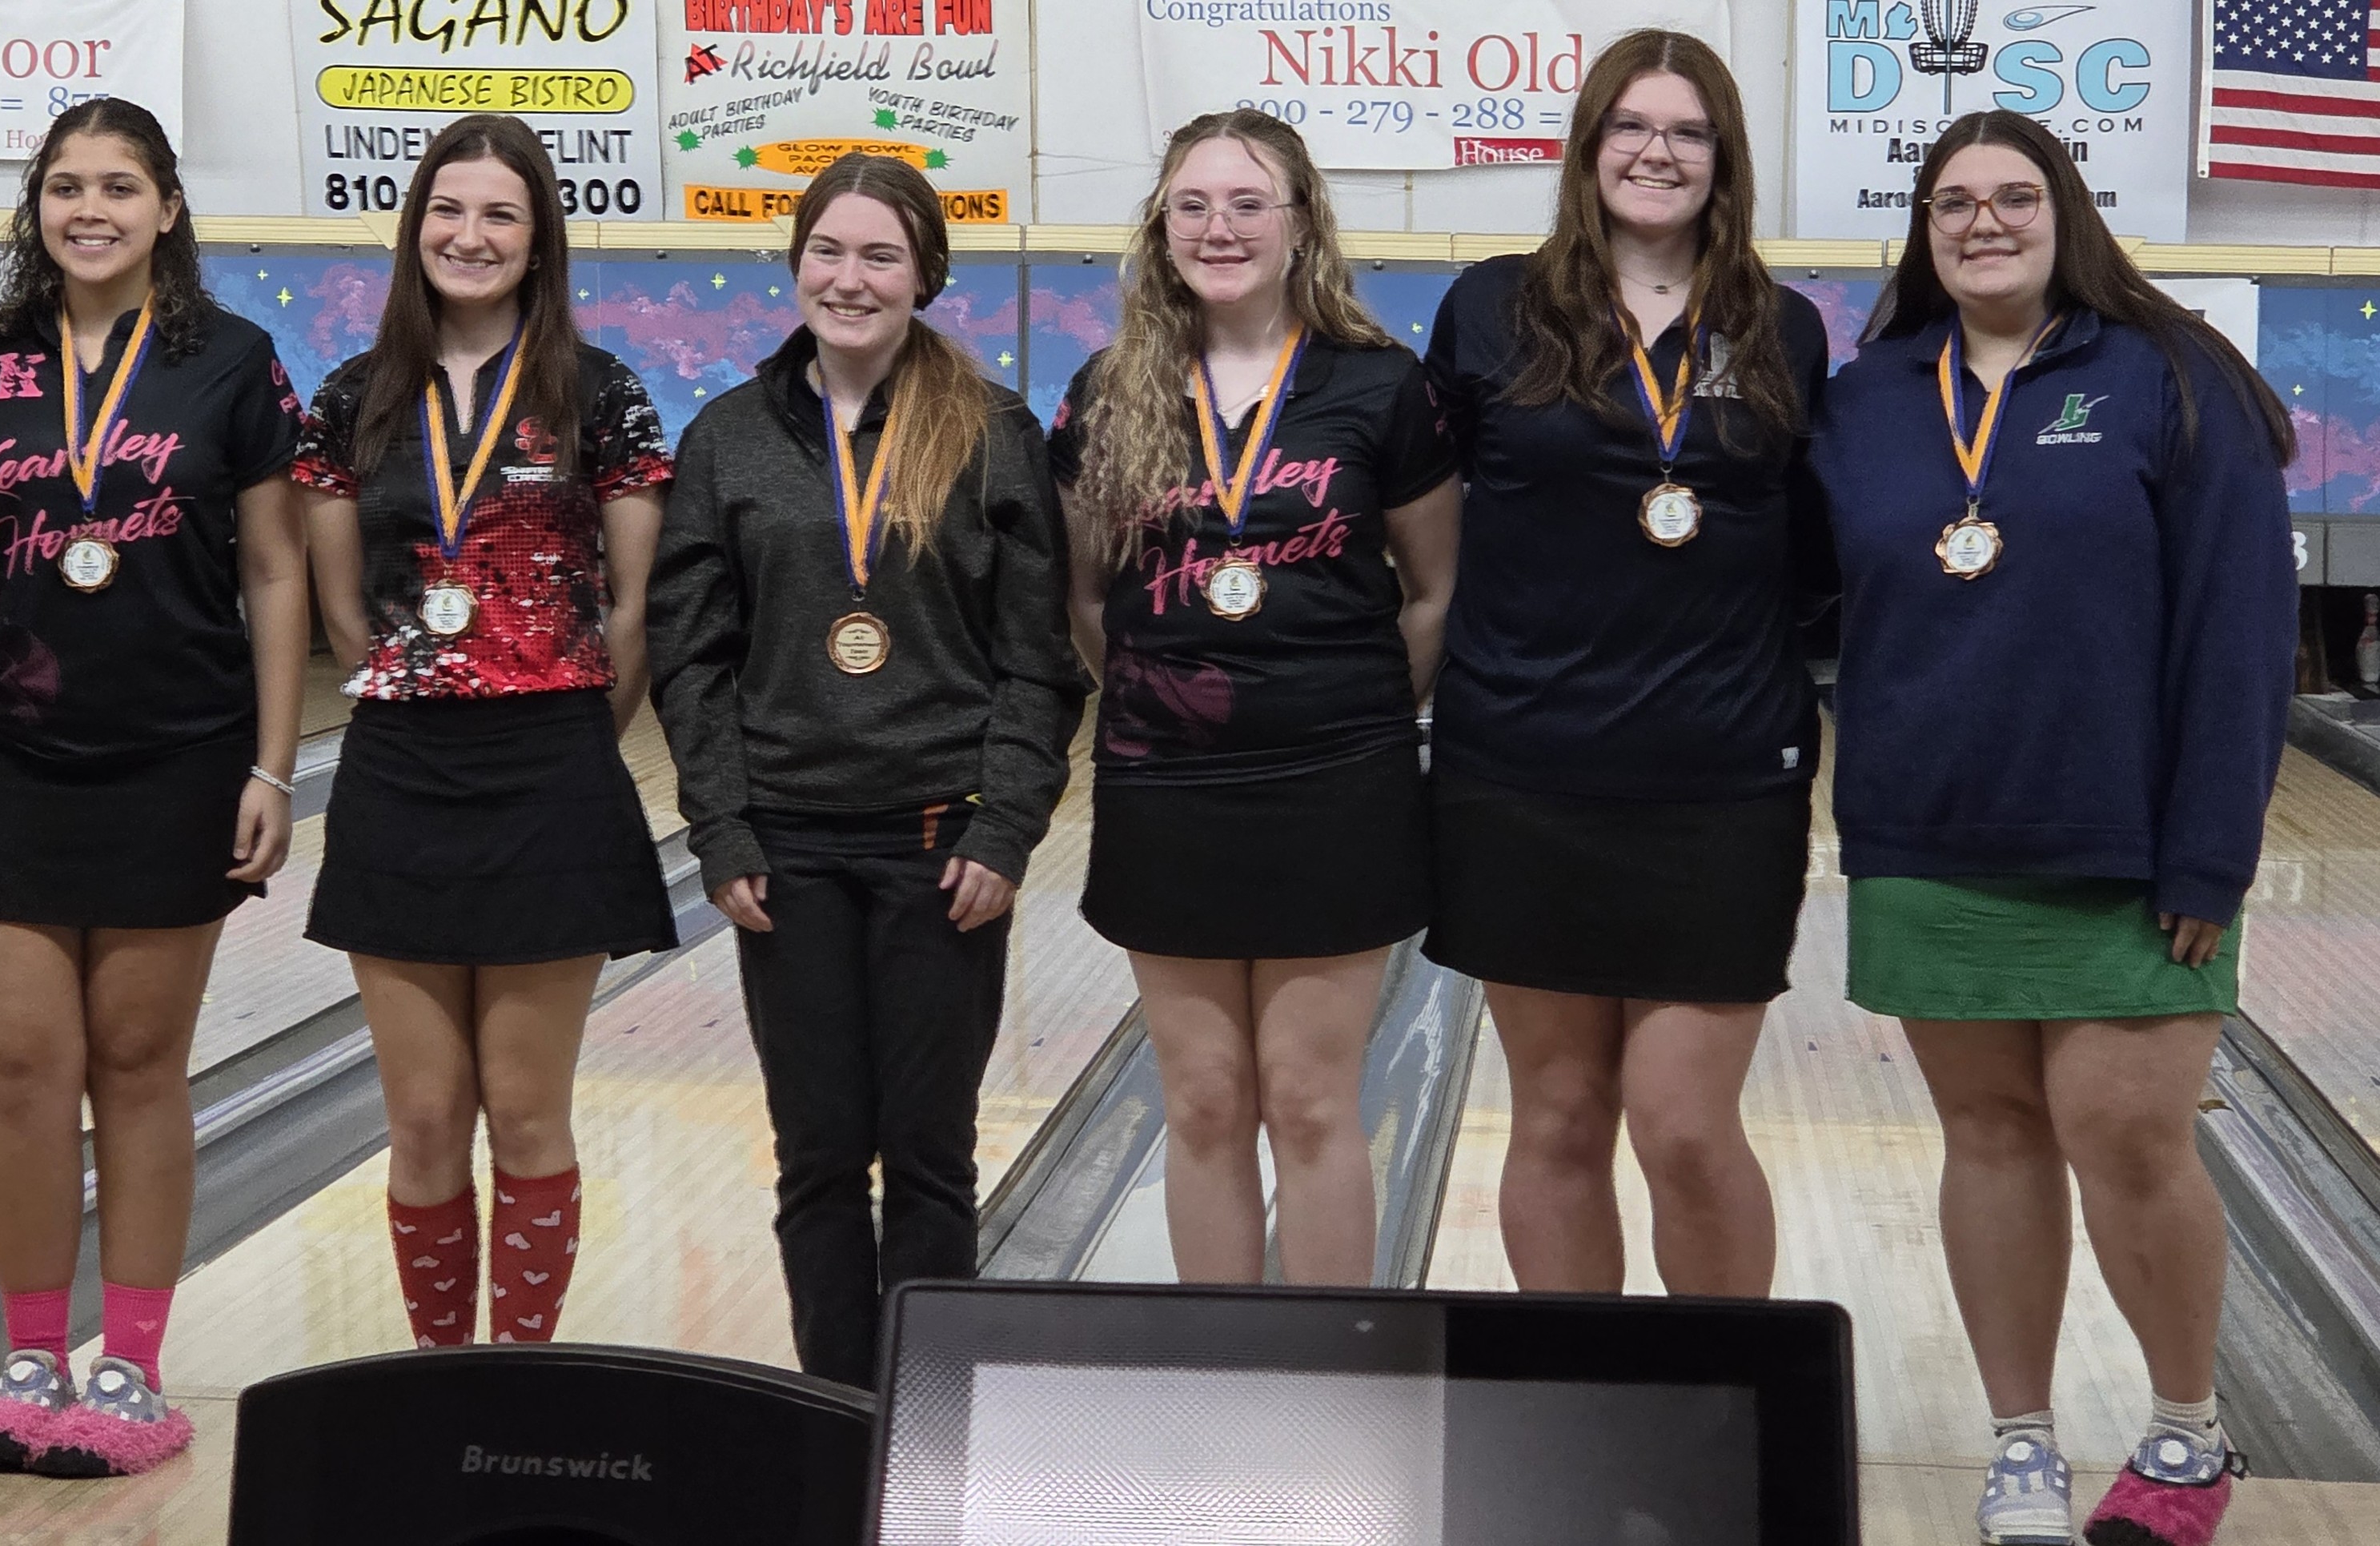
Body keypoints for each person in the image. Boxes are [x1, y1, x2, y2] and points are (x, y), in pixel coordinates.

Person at [1820, 110, 2296, 1546]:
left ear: (2063, 212)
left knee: (2124, 1131)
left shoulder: (2169, 376)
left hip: (2124, 839)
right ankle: (2019, 1439)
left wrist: (2210, 845)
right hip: (1924, 830)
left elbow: (2241, 628)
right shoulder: (1868, 397)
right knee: (1987, 1134)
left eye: (2012, 197)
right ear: (1922, 228)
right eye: (1951, 202)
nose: (1981, 222)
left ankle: (2184, 1435)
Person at [650, 152, 1085, 1387]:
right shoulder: (727, 438)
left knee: (931, 1153)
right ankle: (838, 1411)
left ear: (924, 276)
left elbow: (1038, 656)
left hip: (939, 841)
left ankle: (929, 1422)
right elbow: (691, 659)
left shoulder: (990, 431)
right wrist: (721, 831)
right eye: (828, 252)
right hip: (787, 850)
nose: (849, 279)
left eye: (879, 255)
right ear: (794, 265)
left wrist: (1004, 826)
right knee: (820, 1155)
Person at [1420, 29, 1826, 1301]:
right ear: (1589, 146)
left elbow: (1810, 556)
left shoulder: (1782, 328)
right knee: (1554, 1118)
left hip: (1718, 780)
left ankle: (1726, 1424)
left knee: (1687, 1129)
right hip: (1520, 770)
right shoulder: (1493, 306)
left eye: (1688, 131)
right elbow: (1426, 524)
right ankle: (1583, 1417)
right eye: (1631, 126)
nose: (1658, 151)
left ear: (1723, 159)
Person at [0, 98, 307, 1478]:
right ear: (37, 209)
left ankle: (133, 1372)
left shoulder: (232, 361)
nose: (89, 209)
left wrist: (273, 761)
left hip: (181, 754)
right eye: (65, 187)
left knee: (140, 1066)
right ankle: (31, 1354)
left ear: (166, 207)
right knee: (27, 1066)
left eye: (120, 186)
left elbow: (274, 571)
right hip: (15, 757)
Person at [1052, 110, 1459, 1287]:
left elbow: (1431, 594)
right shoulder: (1110, 389)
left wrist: (1351, 719)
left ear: (1298, 226)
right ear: (1161, 225)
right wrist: (1160, 703)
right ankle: (1227, 1381)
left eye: (1245, 203)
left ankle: (1330, 1386)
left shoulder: (1378, 387)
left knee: (1312, 1102)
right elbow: (1086, 597)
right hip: (1165, 785)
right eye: (1192, 204)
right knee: (1205, 1101)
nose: (1217, 226)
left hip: (1337, 783)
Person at [293, 114, 676, 1353]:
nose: (470, 235)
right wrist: (434, 678)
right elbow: (344, 616)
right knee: (420, 1117)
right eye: (448, 212)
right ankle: (437, 1378)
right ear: (416, 232)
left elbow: (634, 613)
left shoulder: (599, 393)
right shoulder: (355, 398)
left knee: (523, 1113)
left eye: (499, 214)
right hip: (402, 772)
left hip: (549, 773)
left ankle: (518, 1377)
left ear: (537, 238)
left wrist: (555, 717)